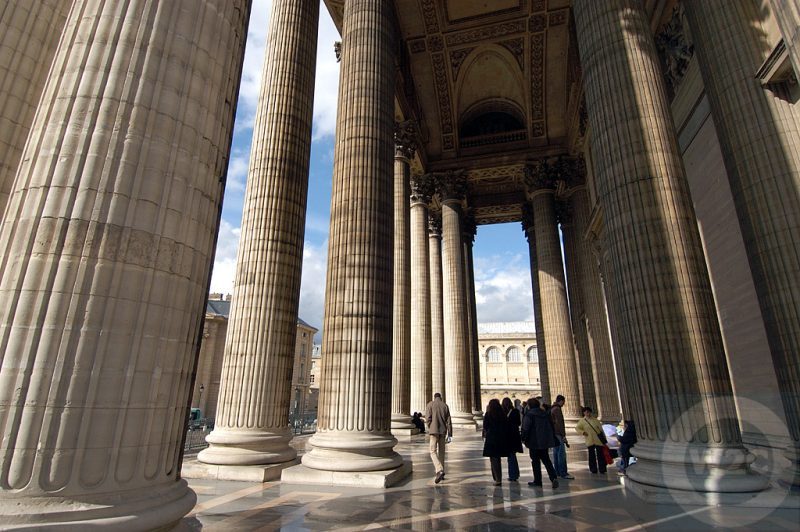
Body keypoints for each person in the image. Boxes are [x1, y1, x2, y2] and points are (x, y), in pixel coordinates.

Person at [521, 398, 559, 489]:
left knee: (535, 461)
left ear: (529, 406)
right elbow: (551, 426)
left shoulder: (529, 415)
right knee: (546, 460)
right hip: (544, 441)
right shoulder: (545, 414)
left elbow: (526, 428)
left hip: (534, 441)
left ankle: (538, 481)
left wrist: (523, 438)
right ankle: (553, 477)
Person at [424, 392, 452, 484]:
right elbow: (449, 421)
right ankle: (442, 471)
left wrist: (430, 427)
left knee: (432, 451)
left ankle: (439, 470)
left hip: (434, 431)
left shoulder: (430, 404)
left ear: (434, 397)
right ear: (441, 397)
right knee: (442, 452)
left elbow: (428, 418)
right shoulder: (445, 406)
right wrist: (450, 433)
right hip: (443, 431)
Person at [482, 399, 509, 485]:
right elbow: (506, 425)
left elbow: (485, 426)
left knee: (493, 459)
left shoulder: (488, 414)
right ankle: (498, 477)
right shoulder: (502, 414)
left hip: (491, 439)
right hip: (500, 438)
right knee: (498, 459)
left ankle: (497, 478)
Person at [575, 406, 607, 474]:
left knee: (600, 455)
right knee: (591, 455)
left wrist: (604, 439)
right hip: (589, 440)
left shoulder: (595, 420)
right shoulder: (582, 421)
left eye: (588, 412)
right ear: (584, 413)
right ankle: (593, 469)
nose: (587, 413)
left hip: (598, 440)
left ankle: (602, 469)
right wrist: (583, 432)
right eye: (586, 412)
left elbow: (601, 430)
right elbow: (577, 428)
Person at [550, 395, 574, 480]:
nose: (564, 404)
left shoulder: (552, 408)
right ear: (560, 401)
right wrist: (563, 435)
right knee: (561, 454)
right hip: (558, 434)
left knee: (556, 454)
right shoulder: (557, 409)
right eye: (563, 402)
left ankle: (557, 472)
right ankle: (563, 472)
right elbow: (559, 423)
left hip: (554, 434)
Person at [502, 397, 523, 481]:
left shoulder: (502, 412)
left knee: (510, 456)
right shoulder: (515, 411)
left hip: (507, 436)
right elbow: (519, 423)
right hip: (515, 435)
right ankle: (515, 474)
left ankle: (513, 475)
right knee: (512, 455)